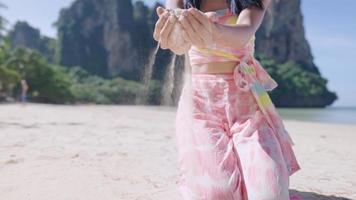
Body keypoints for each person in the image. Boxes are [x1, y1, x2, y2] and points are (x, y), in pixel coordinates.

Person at [153, 0, 301, 199]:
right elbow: (177, 37)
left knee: (270, 194)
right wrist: (173, 34)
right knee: (218, 193)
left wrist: (213, 32)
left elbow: (243, 32)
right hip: (200, 106)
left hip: (248, 106)